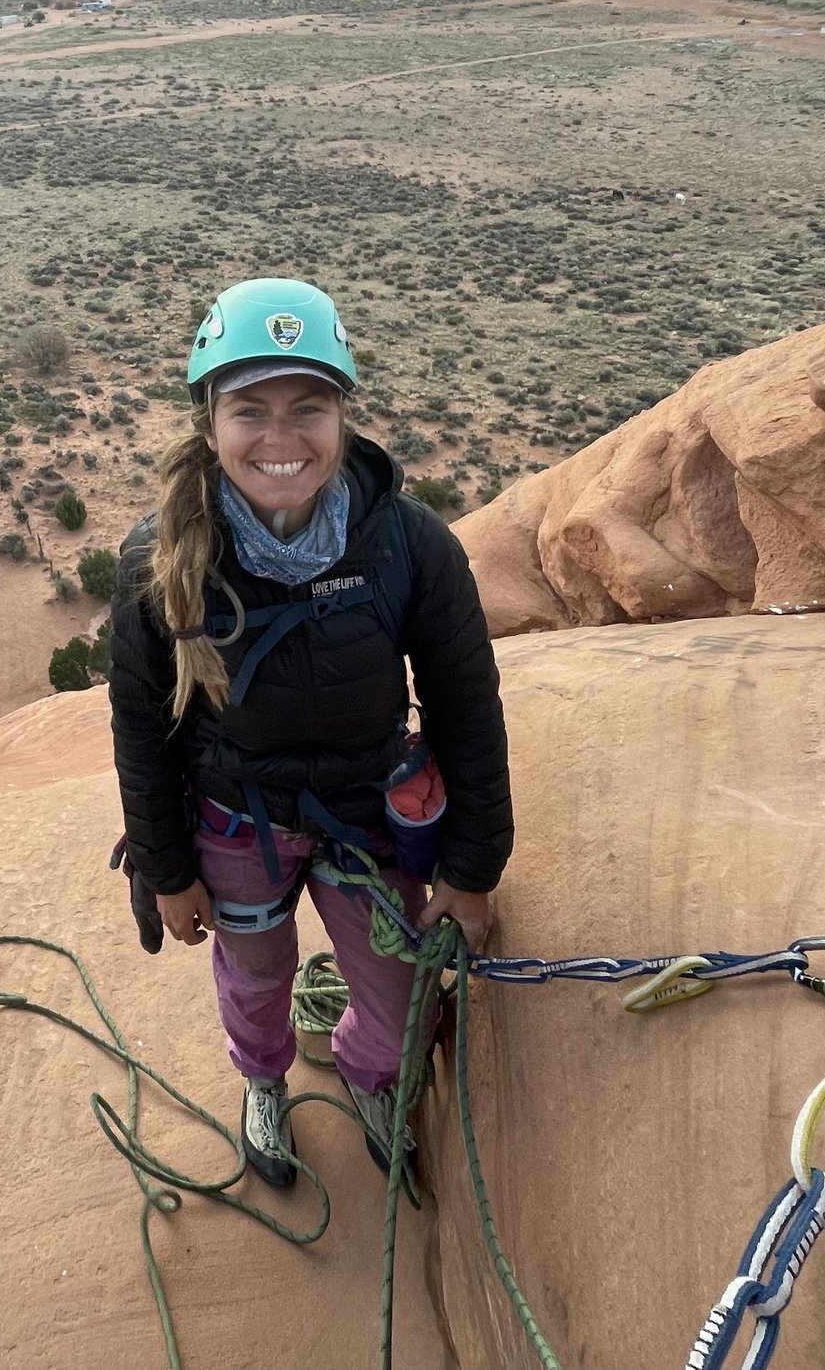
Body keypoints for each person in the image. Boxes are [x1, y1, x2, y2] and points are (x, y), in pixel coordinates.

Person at [108, 277, 513, 1188]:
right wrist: (167, 868)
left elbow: (466, 704)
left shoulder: (407, 544)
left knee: (396, 984)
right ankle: (263, 1079)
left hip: (366, 814)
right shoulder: (160, 559)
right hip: (235, 818)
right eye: (250, 409)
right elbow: (140, 723)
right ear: (209, 422)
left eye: (309, 407)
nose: (280, 437)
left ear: (343, 416)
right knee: (254, 973)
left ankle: (371, 1076)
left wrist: (473, 867)